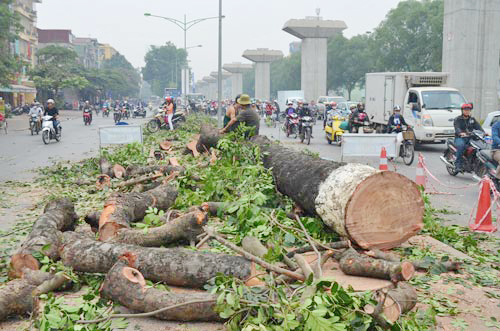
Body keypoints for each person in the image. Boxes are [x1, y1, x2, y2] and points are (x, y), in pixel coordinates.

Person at [453, 103, 483, 172]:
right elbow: (457, 128)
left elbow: (479, 128)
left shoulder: (472, 119)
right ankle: (458, 164)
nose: (467, 111)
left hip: (471, 138)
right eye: (465, 110)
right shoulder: (458, 119)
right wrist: (460, 133)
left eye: (468, 110)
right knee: (461, 146)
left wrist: (484, 133)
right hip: (460, 138)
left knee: (478, 146)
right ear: (462, 110)